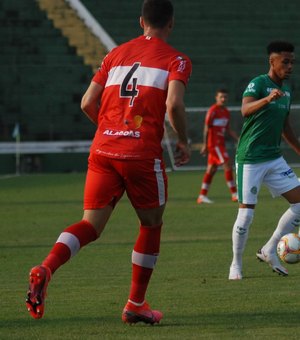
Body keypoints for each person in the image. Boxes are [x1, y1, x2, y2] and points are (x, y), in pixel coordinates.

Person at [25, 0, 192, 324]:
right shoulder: (176, 59)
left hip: (103, 150)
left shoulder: (115, 54)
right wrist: (183, 140)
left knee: (90, 224)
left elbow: (88, 101)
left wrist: (108, 131)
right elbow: (174, 104)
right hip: (141, 153)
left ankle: (46, 267)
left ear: (140, 21)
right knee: (151, 224)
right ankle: (135, 304)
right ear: (170, 24)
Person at [229, 41, 300, 280]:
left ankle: (269, 249)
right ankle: (236, 265)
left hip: (273, 159)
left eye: (292, 62)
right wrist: (267, 99)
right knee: (247, 214)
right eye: (285, 62)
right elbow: (245, 110)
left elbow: (285, 128)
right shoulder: (258, 83)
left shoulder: (287, 92)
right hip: (250, 158)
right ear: (272, 62)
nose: (290, 66)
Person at [196, 89, 239, 204]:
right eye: (221, 97)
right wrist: (205, 145)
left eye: (225, 97)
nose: (223, 99)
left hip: (220, 144)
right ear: (216, 97)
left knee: (211, 169)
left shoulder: (226, 112)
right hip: (214, 144)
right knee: (227, 164)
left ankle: (202, 196)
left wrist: (239, 139)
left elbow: (228, 130)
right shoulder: (213, 110)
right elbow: (206, 128)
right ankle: (234, 194)